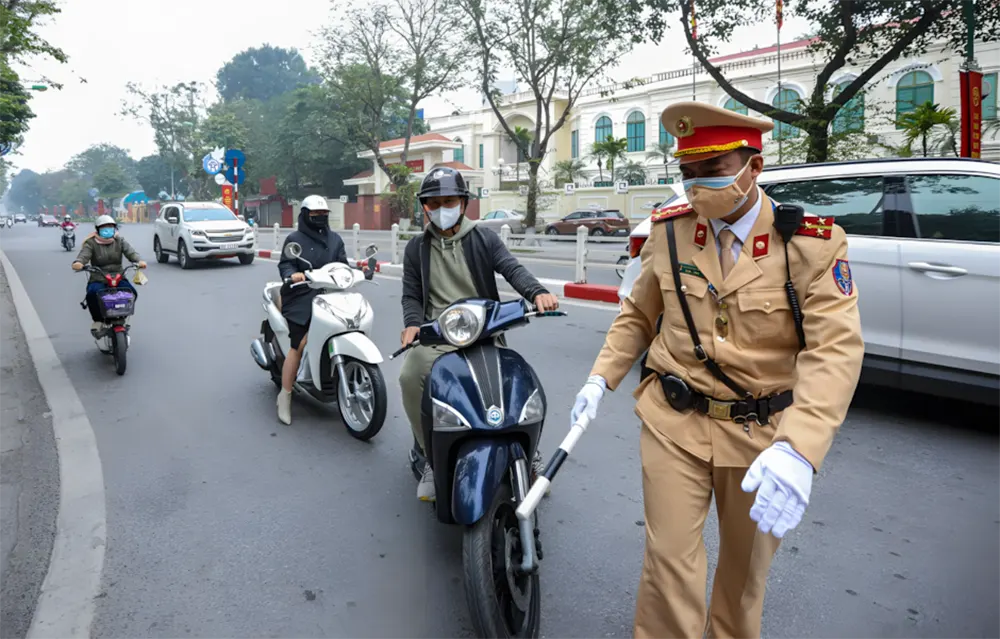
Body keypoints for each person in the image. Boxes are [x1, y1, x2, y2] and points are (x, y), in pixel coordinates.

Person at [570, 102, 864, 639]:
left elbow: (835, 351)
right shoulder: (671, 231)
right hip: (674, 420)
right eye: (688, 172)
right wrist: (600, 377)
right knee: (668, 563)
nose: (697, 185)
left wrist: (800, 448)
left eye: (712, 168)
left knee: (743, 575)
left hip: (761, 433)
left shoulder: (811, 244)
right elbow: (638, 313)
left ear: (754, 166)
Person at [399, 166, 560, 502]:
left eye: (449, 201)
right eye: (433, 203)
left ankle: (529, 453)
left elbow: (511, 268)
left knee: (517, 384)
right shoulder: (416, 248)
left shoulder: (483, 238)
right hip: (439, 335)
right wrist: (413, 323)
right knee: (409, 375)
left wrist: (537, 292)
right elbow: (411, 294)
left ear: (463, 203)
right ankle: (430, 457)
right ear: (424, 207)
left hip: (484, 331)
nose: (441, 209)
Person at [276, 195, 350, 425]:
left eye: (323, 214)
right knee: (299, 343)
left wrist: (355, 272)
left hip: (330, 293)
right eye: (315, 214)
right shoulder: (294, 239)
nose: (320, 217)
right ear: (305, 215)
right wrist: (292, 275)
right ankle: (285, 395)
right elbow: (286, 264)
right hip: (301, 294)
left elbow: (343, 264)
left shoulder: (335, 239)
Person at [71, 215, 146, 344]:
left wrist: (139, 261)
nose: (107, 230)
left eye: (110, 227)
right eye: (104, 228)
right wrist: (79, 263)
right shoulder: (91, 243)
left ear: (114, 228)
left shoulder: (120, 241)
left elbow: (131, 253)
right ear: (97, 229)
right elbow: (83, 256)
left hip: (118, 275)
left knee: (132, 293)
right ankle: (98, 321)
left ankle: (122, 317)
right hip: (98, 277)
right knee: (92, 294)